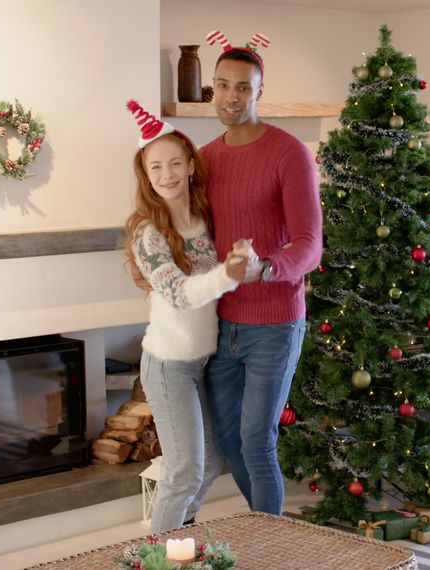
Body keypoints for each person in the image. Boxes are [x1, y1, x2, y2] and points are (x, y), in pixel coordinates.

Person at [200, 38, 324, 515]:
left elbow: (310, 245)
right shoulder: (205, 158)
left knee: (257, 441)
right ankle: (268, 537)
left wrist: (266, 268)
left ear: (259, 92)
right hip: (221, 323)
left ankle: (274, 550)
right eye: (223, 85)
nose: (232, 96)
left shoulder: (288, 153)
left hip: (274, 322)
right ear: (213, 88)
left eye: (243, 88)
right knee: (231, 443)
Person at [123, 100, 253, 532]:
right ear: (146, 174)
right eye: (156, 167)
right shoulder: (150, 232)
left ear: (191, 166)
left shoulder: (204, 217)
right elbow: (180, 294)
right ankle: (155, 557)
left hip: (204, 362)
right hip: (167, 366)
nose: (167, 175)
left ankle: (181, 540)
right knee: (183, 473)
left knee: (212, 461)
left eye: (175, 163)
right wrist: (228, 275)